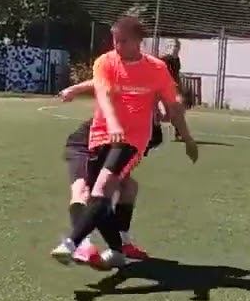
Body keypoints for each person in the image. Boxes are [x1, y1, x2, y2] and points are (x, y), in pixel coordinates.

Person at [50, 16, 197, 269]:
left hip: (132, 139)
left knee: (103, 188)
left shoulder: (156, 69)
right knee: (97, 196)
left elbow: (173, 107)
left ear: (139, 41)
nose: (117, 45)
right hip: (99, 135)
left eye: (123, 41)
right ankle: (117, 248)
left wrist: (187, 138)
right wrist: (112, 122)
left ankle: (73, 244)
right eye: (115, 40)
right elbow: (104, 93)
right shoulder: (105, 62)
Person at [58, 76, 172, 265]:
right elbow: (103, 81)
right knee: (83, 190)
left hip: (107, 154)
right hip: (83, 145)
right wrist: (74, 89)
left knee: (129, 187)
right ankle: (81, 244)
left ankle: (123, 243)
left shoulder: (154, 134)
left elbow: (126, 161)